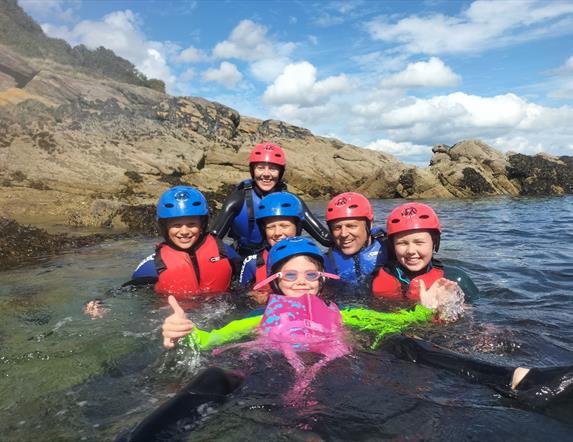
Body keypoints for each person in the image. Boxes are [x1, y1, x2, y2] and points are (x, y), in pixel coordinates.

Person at [210, 142, 331, 258]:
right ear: (253, 171)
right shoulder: (238, 199)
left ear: (280, 173)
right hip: (243, 259)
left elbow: (325, 238)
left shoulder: (293, 202)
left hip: (282, 256)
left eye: (273, 169)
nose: (266, 174)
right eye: (260, 168)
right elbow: (212, 238)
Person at [129, 186, 241, 300]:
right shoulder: (151, 267)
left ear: (202, 224)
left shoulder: (223, 251)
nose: (184, 232)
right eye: (176, 225)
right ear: (164, 227)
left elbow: (245, 282)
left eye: (191, 224)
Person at [371, 202, 479, 301]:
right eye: (402, 243)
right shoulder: (374, 279)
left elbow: (477, 317)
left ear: (434, 242)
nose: (411, 251)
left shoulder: (455, 279)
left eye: (419, 242)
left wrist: (445, 309)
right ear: (392, 246)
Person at [238, 191, 304, 300]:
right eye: (271, 227)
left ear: (297, 227)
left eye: (284, 226)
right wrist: (252, 297)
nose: (277, 233)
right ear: (263, 230)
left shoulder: (312, 260)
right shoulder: (252, 263)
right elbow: (240, 299)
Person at [323, 192, 388, 285]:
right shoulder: (324, 262)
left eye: (351, 226)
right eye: (337, 227)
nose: (343, 234)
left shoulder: (390, 249)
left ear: (369, 225)